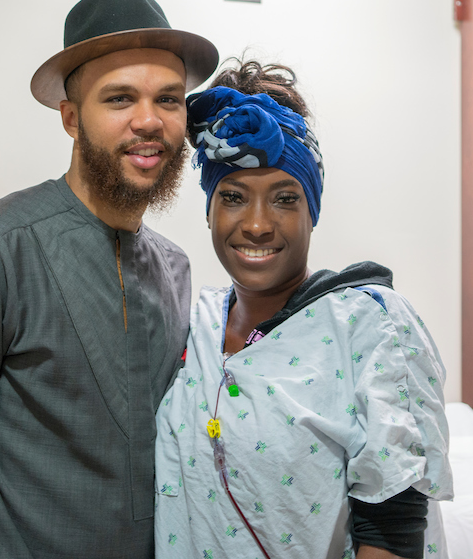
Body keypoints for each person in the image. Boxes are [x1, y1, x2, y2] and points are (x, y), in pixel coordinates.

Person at [0, 0, 219, 559]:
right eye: (120, 99)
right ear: (71, 119)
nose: (149, 121)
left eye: (169, 100)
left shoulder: (176, 269)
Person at [153, 61, 453, 559]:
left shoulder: (370, 327)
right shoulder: (193, 323)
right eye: (233, 197)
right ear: (209, 208)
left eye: (285, 199)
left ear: (312, 211)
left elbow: (393, 531)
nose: (256, 224)